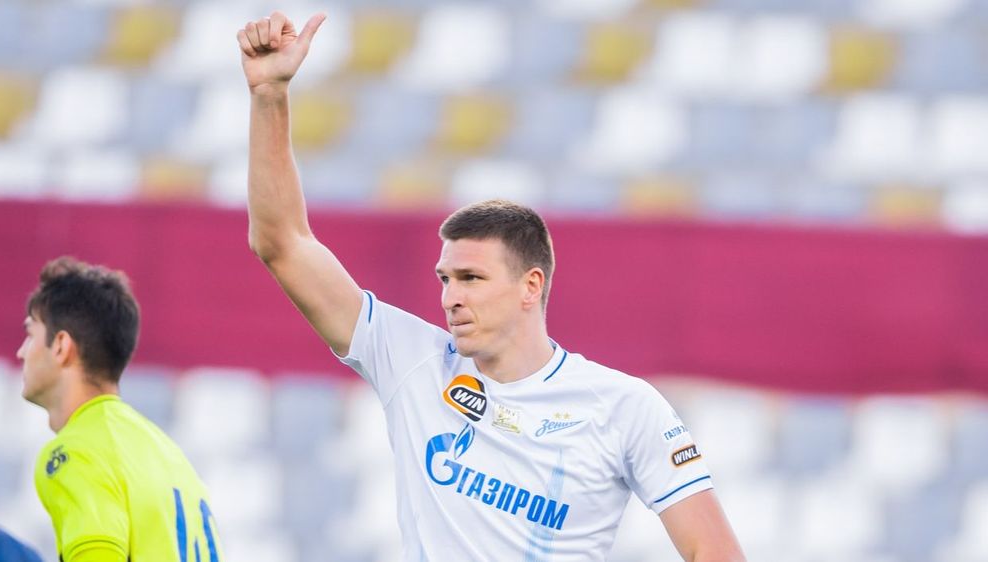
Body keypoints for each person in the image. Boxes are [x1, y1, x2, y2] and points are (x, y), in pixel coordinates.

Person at [238, 12, 745, 561]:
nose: (451, 297)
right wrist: (269, 95)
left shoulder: (625, 406)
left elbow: (715, 552)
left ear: (531, 286)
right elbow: (282, 244)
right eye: (446, 279)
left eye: (472, 279)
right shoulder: (412, 361)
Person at [17, 257, 223, 562]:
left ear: (61, 345)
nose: (21, 352)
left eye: (30, 334)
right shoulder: (170, 456)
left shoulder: (78, 451)